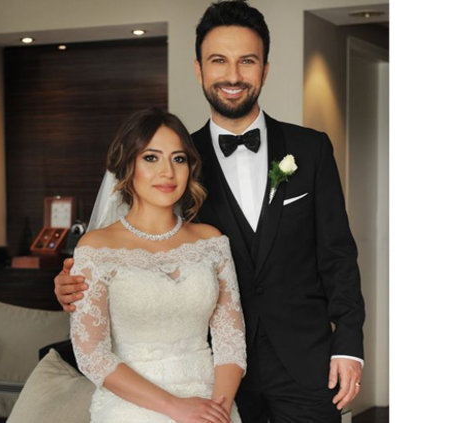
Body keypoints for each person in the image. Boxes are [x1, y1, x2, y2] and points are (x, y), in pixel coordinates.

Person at [57, 1, 365, 422]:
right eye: (218, 60)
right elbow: (133, 248)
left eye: (247, 61)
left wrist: (348, 345)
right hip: (212, 376)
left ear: (265, 70)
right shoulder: (179, 160)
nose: (233, 75)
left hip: (305, 364)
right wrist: (72, 284)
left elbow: (338, 256)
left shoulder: (310, 150)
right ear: (199, 69)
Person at [69, 108, 246, 422]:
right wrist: (176, 408)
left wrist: (217, 412)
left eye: (179, 159)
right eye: (151, 158)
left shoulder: (212, 242)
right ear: (128, 165)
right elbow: (92, 354)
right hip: (130, 406)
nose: (168, 172)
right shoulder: (96, 248)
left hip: (211, 402)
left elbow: (230, 342)